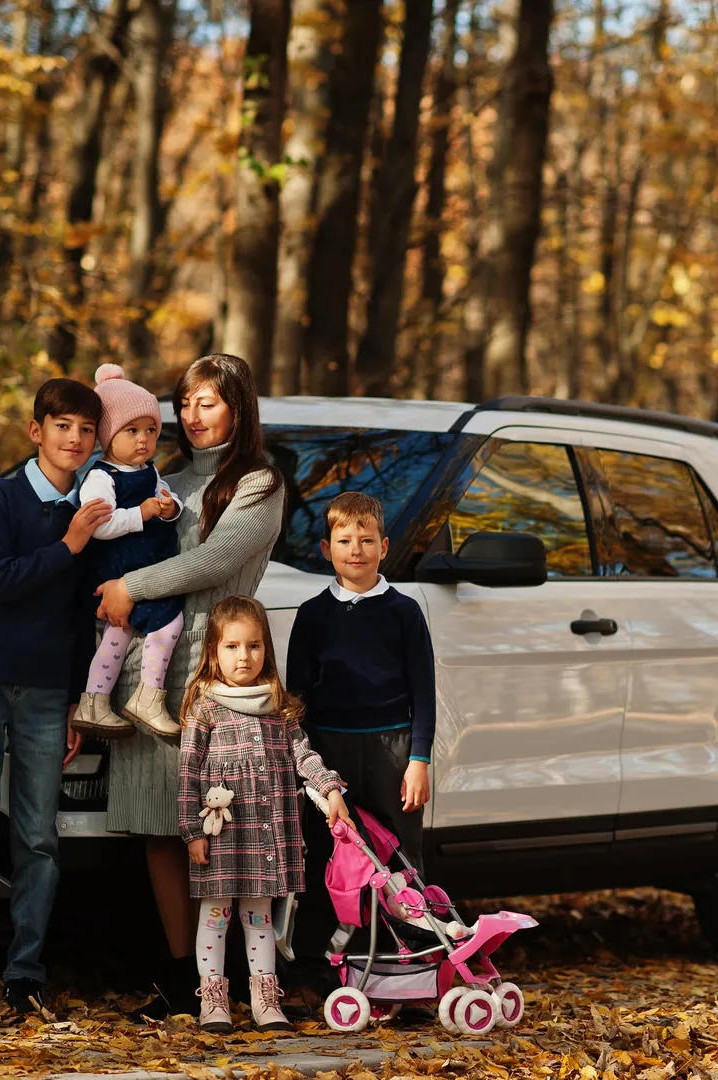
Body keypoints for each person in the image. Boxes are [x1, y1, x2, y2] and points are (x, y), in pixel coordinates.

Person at [95, 354, 285, 1020]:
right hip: (144, 673)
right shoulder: (162, 478)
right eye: (185, 402)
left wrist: (131, 587)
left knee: (221, 827)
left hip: (213, 675)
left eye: (208, 402)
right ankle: (183, 979)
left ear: (238, 406)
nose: (192, 416)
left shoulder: (257, 483)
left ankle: (234, 980)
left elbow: (215, 560)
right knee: (160, 827)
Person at [0, 378, 112, 1015]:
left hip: (46, 690)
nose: (74, 438)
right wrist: (68, 544)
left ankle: (25, 971)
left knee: (39, 836)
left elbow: (78, 617)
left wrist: (74, 698)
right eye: (61, 425)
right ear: (36, 431)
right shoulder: (5, 498)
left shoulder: (97, 507)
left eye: (86, 429)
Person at [178, 595, 350, 1033]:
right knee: (215, 914)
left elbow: (302, 755)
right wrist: (191, 830)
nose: (244, 656)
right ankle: (213, 1000)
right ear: (214, 652)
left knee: (259, 916)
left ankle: (264, 999)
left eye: (254, 646)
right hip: (221, 833)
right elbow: (188, 772)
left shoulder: (278, 705)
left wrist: (329, 789)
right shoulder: (204, 705)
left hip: (266, 832)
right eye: (233, 646)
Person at [287, 491, 435, 872]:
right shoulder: (312, 615)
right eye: (345, 541)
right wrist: (307, 762)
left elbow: (423, 690)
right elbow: (297, 697)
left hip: (393, 749)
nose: (357, 550)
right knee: (331, 851)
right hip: (331, 751)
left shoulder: (404, 611)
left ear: (384, 547)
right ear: (326, 547)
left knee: (399, 856)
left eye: (367, 540)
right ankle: (332, 931)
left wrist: (418, 760)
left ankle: (410, 930)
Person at [73, 363, 184, 739]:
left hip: (140, 571)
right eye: (132, 430)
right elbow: (99, 525)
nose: (143, 440)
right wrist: (142, 513)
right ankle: (147, 697)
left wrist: (172, 508)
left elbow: (165, 496)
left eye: (151, 430)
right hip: (119, 569)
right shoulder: (101, 478)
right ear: (107, 436)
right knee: (169, 624)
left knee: (116, 638)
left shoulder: (149, 469)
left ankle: (95, 702)